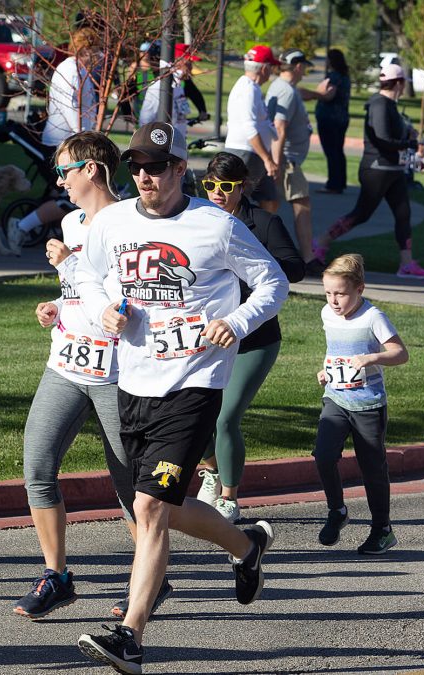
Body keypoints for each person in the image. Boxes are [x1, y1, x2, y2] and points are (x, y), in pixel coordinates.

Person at [72, 121, 288, 673]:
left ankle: (130, 635)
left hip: (194, 382)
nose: (146, 176)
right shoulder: (113, 222)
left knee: (149, 508)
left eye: (157, 167)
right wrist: (104, 309)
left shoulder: (214, 225)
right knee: (157, 505)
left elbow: (273, 282)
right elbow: (90, 276)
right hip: (134, 380)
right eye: (138, 167)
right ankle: (246, 547)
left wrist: (236, 322)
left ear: (178, 171)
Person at [11, 131, 146, 620]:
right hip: (66, 362)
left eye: (64, 170)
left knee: (130, 484)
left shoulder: (130, 222)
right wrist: (56, 307)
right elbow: (77, 294)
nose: (59, 180)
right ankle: (57, 577)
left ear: (92, 169)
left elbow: (126, 293)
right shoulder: (70, 221)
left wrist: (69, 264)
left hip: (114, 371)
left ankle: (150, 576)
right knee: (38, 468)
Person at [194, 153, 305, 522]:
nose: (217, 193)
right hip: (205, 336)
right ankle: (210, 471)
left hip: (254, 339)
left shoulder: (264, 223)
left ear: (243, 187)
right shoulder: (196, 220)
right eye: (210, 185)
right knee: (190, 415)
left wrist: (250, 270)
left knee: (225, 418)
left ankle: (229, 497)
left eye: (226, 187)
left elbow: (294, 268)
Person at [313, 254, 409, 554]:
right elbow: (335, 351)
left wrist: (372, 358)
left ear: (360, 289)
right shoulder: (327, 315)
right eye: (328, 293)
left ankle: (382, 529)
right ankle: (337, 511)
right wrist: (325, 370)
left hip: (368, 404)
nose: (334, 300)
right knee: (324, 455)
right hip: (336, 398)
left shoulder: (372, 317)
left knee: (372, 469)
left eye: (340, 293)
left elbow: (400, 353)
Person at [312, 64, 424, 280]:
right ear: (399, 83)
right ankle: (320, 242)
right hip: (376, 168)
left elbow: (390, 134)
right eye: (404, 82)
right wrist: (408, 143)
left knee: (403, 214)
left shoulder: (389, 104)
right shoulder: (379, 104)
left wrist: (407, 134)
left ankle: (406, 264)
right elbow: (382, 138)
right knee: (361, 214)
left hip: (392, 169)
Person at [8, 27, 100, 251]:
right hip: (64, 145)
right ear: (85, 50)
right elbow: (72, 111)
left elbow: (90, 110)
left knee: (84, 195)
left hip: (77, 143)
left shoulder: (82, 71)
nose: (99, 57)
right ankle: (20, 226)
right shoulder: (69, 70)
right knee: (69, 199)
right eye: (96, 51)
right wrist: (85, 141)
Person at [266, 49, 319, 269]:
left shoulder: (283, 87)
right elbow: (279, 126)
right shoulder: (286, 91)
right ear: (297, 67)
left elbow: (300, 95)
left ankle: (271, 253)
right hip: (286, 160)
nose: (304, 70)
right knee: (300, 204)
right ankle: (307, 257)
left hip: (285, 158)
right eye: (304, 66)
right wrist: (276, 163)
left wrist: (319, 94)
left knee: (271, 206)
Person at [224, 45, 279, 214]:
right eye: (271, 68)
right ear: (264, 68)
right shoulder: (248, 89)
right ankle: (233, 238)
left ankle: (262, 238)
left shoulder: (252, 88)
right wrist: (267, 159)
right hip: (245, 153)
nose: (271, 72)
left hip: (254, 154)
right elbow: (249, 127)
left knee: (270, 199)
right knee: (235, 203)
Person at [138, 43, 203, 140]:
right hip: (164, 146)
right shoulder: (159, 86)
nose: (191, 68)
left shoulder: (178, 85)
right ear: (178, 62)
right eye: (189, 62)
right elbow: (145, 121)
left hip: (177, 144)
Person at [314, 48, 351, 194]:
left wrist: (316, 94)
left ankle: (333, 184)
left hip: (330, 119)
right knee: (338, 151)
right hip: (341, 118)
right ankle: (340, 181)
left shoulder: (334, 77)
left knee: (332, 152)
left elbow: (328, 95)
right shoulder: (345, 76)